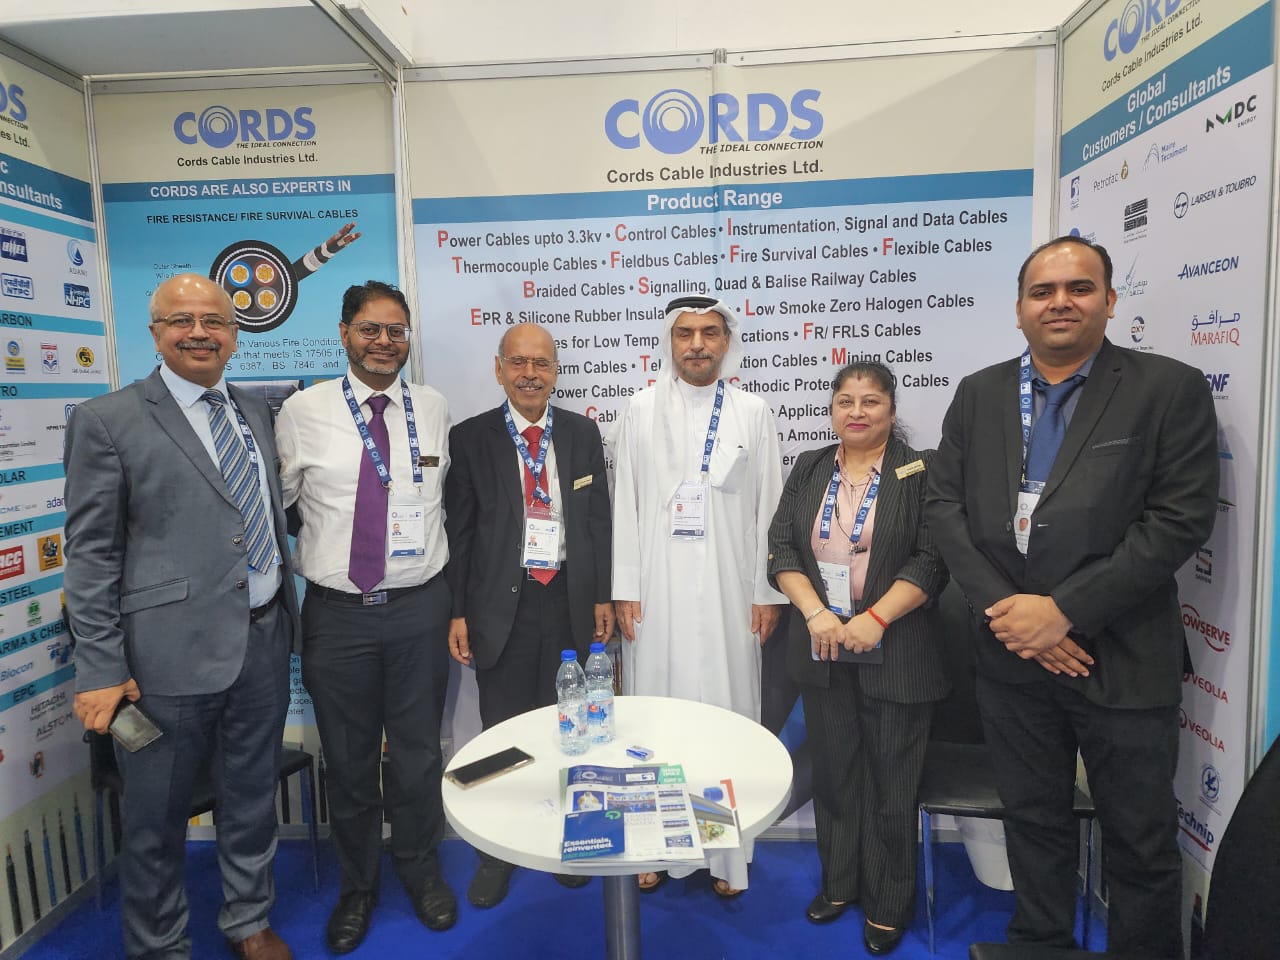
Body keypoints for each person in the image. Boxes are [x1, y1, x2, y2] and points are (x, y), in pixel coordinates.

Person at [925, 236, 1219, 957]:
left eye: (1079, 288)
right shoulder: (979, 393)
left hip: (1121, 655)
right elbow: (944, 509)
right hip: (1011, 656)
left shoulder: (1167, 388)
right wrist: (1013, 615)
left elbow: (1177, 521)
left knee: (1139, 838)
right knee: (1032, 819)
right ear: (1019, 309)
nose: (1060, 302)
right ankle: (1040, 943)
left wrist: (1061, 612)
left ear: (1110, 301)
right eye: (1042, 291)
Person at [65, 273, 299, 960]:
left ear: (235, 334)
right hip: (162, 660)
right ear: (156, 333)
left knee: (250, 795)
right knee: (155, 818)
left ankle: (248, 919)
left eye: (214, 321)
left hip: (262, 641)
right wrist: (101, 667)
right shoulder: (107, 420)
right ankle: (160, 944)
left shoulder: (254, 410)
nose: (199, 332)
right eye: (182, 320)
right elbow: (91, 555)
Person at [275, 281, 455, 953]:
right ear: (345, 334)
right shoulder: (302, 411)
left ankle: (420, 868)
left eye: (396, 330)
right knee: (349, 764)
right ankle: (357, 887)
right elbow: (281, 506)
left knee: (417, 756)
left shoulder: (432, 408)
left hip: (418, 609)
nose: (384, 342)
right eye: (371, 329)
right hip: (339, 616)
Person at [767, 362, 948, 956]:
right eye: (845, 401)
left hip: (896, 648)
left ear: (892, 411)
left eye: (871, 401)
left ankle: (889, 904)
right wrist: (815, 612)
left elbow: (932, 559)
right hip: (823, 646)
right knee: (836, 775)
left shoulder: (920, 471)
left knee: (892, 783)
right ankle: (840, 883)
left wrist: (876, 619)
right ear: (832, 410)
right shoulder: (810, 466)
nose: (857, 412)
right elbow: (782, 547)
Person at [610, 294, 786, 895]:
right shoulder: (639, 409)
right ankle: (656, 846)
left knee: (724, 721)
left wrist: (766, 592)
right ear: (670, 341)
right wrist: (625, 588)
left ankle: (720, 853)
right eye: (685, 333)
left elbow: (769, 508)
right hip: (654, 596)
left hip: (731, 594)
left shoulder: (752, 412)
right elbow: (626, 506)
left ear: (726, 342)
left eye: (709, 333)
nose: (697, 345)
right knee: (656, 721)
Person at [444, 322, 613, 907]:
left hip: (568, 599)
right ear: (499, 369)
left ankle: (570, 837)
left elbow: (598, 522)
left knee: (573, 727)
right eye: (518, 362)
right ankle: (499, 850)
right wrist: (458, 611)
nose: (530, 374)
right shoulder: (471, 438)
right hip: (500, 606)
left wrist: (602, 596)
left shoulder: (582, 433)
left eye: (541, 363)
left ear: (555, 371)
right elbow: (461, 534)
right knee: (503, 730)